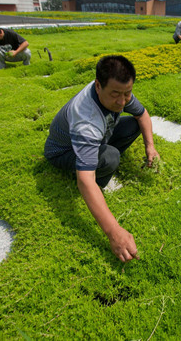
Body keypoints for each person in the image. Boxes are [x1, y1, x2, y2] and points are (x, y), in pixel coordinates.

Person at [44, 55, 160, 263]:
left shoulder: (115, 90)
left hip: (98, 134)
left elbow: (142, 115)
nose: (122, 101)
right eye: (115, 94)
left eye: (127, 93)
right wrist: (114, 232)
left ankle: (99, 161)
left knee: (133, 125)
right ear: (98, 86)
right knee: (110, 157)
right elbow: (85, 181)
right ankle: (101, 180)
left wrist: (150, 147)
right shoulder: (86, 121)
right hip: (63, 152)